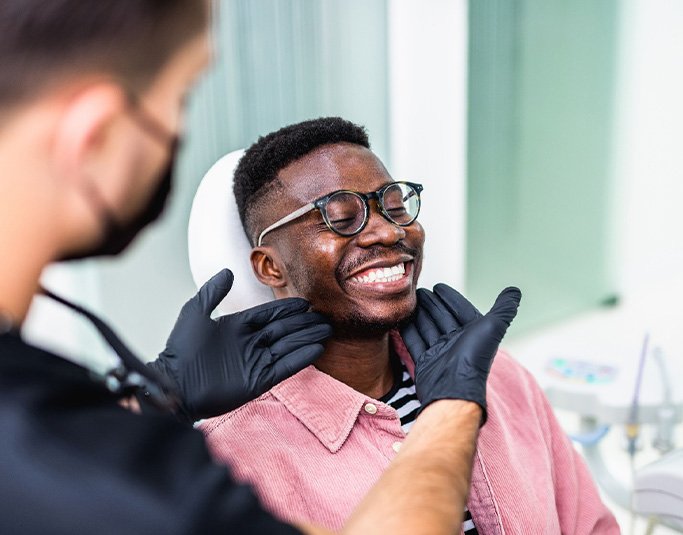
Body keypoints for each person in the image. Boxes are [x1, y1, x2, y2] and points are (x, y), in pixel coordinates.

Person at [0, 2, 521, 534]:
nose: (386, 232)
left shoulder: (43, 420)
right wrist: (454, 409)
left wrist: (160, 394)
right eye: (179, 97)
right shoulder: (193, 459)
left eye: (392, 205)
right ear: (96, 132)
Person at [199, 117, 621, 534]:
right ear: (271, 266)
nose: (387, 231)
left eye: (396, 206)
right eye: (341, 217)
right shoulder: (229, 460)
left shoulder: (497, 378)